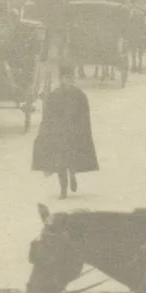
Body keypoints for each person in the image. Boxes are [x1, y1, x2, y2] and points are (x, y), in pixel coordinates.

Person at [32, 64, 99, 199]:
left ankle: (73, 174)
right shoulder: (54, 94)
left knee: (71, 159)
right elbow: (48, 115)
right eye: (65, 78)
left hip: (74, 132)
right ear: (61, 79)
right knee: (60, 162)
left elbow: (84, 115)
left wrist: (81, 130)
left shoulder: (79, 95)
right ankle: (63, 188)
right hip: (60, 132)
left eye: (70, 78)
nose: (67, 80)